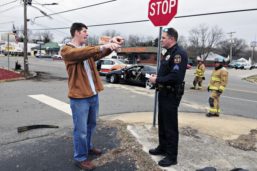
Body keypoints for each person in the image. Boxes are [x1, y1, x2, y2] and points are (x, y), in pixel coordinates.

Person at [61, 22, 123, 170]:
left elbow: (98, 53)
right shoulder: (67, 50)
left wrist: (111, 44)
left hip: (92, 95)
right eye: (84, 31)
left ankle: (87, 148)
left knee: (91, 126)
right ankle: (80, 158)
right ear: (76, 32)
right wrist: (102, 46)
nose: (86, 34)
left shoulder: (86, 50)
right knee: (80, 130)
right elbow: (80, 54)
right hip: (79, 97)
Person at [148, 27, 188, 167]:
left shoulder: (179, 54)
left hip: (171, 94)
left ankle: (172, 156)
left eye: (163, 38)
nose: (161, 40)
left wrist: (157, 80)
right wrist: (157, 77)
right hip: (164, 92)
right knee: (163, 122)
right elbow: (166, 72)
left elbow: (176, 77)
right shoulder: (168, 53)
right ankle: (163, 147)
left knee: (170, 125)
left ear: (172, 39)